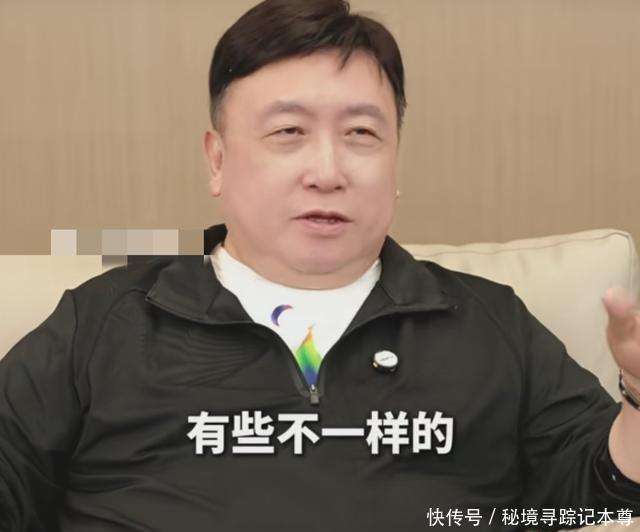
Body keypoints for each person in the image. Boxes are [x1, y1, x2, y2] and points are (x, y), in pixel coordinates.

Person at [1, 0, 639, 530]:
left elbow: (598, 495)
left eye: (362, 134)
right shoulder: (107, 321)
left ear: (395, 161)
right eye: (289, 133)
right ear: (217, 160)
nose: (327, 172)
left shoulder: (488, 324)